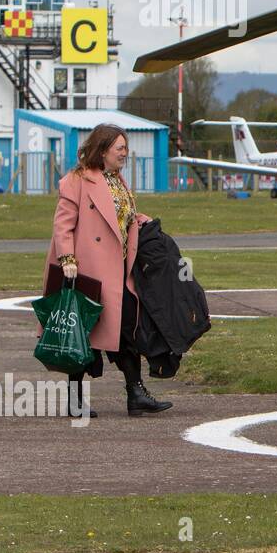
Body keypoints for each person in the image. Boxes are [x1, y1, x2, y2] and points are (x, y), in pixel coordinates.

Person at [43, 123, 173, 418]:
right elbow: (63, 223)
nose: (125, 153)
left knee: (127, 331)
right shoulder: (76, 180)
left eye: (125, 148)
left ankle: (136, 394)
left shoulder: (118, 181)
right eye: (120, 148)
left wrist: (142, 221)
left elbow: (120, 217)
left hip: (117, 272)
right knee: (80, 336)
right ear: (102, 151)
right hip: (86, 273)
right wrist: (67, 259)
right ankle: (76, 401)